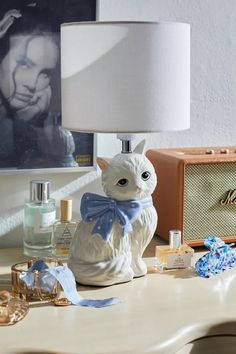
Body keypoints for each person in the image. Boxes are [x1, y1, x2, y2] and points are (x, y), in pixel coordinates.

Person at [0, 4, 77, 168]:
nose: (32, 84)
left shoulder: (53, 120)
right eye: (24, 64)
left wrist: (40, 124)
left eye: (45, 73)